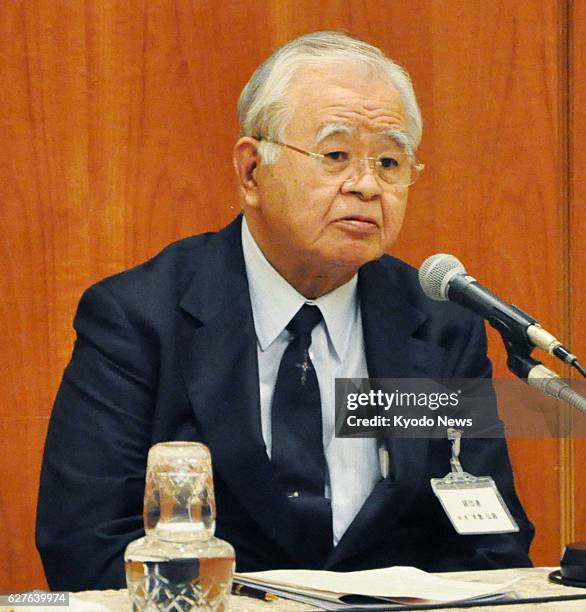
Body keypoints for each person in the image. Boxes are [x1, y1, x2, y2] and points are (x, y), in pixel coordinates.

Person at [36, 31, 533, 590]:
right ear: (251, 171)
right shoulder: (138, 320)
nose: (368, 186)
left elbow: (487, 540)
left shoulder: (440, 325)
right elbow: (87, 545)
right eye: (336, 155)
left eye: (390, 161)